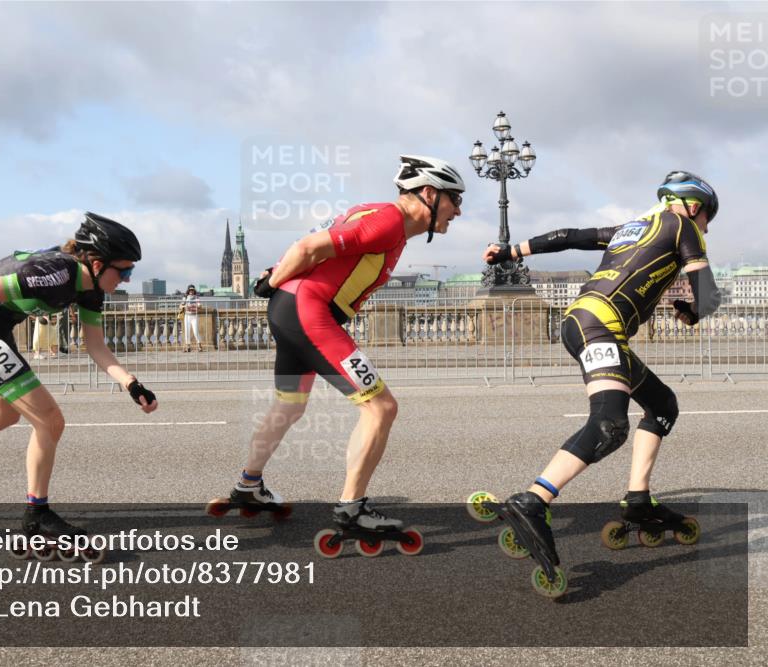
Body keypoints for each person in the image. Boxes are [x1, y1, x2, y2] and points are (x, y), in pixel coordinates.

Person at [480, 170, 722, 590]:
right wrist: (694, 309)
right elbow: (710, 293)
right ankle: (534, 500)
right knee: (609, 426)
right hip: (601, 326)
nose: (704, 230)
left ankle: (638, 500)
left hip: (588, 320)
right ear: (695, 207)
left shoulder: (631, 228)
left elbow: (569, 236)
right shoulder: (684, 225)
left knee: (662, 404)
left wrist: (510, 251)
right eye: (707, 221)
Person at [217, 155, 465, 537]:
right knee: (381, 407)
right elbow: (307, 248)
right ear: (429, 194)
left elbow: (311, 247)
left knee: (290, 405)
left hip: (292, 308)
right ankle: (352, 509)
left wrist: (275, 277)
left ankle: (248, 485)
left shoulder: (373, 212)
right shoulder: (389, 221)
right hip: (309, 312)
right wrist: (269, 282)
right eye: (455, 199)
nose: (459, 211)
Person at [0, 212, 158, 542]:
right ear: (96, 264)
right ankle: (36, 514)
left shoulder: (90, 289)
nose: (126, 279)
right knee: (50, 420)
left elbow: (95, 346)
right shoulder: (57, 273)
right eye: (124, 270)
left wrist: (131, 383)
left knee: (3, 414)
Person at [180, 284, 203, 352]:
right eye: (190, 290)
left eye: (192, 290)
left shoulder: (196, 297)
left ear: (194, 290)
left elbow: (199, 305)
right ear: (188, 290)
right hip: (187, 316)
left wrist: (197, 306)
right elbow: (181, 306)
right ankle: (188, 346)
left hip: (194, 316)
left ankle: (199, 345)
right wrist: (184, 307)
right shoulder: (185, 297)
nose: (191, 291)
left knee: (196, 331)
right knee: (187, 331)